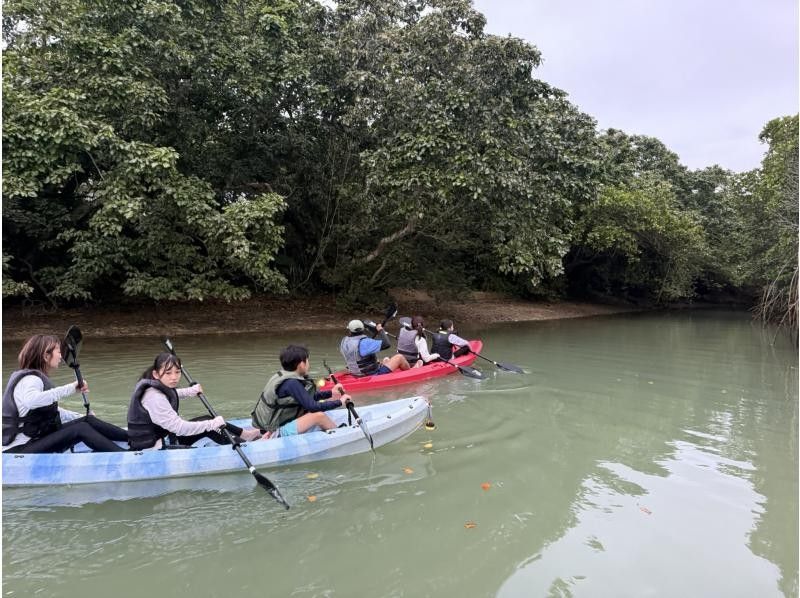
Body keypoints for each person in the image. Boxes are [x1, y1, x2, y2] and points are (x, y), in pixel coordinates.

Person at [2, 334, 128, 453]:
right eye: (58, 351)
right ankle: (125, 455)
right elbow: (32, 401)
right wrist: (70, 388)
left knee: (87, 420)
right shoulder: (31, 379)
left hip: (35, 440)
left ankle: (133, 438)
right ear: (46, 356)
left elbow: (53, 412)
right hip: (21, 449)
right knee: (81, 429)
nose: (61, 356)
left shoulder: (34, 378)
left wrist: (82, 416)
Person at [127, 352, 262, 450]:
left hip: (163, 435)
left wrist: (189, 391)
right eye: (168, 373)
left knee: (207, 418)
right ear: (156, 374)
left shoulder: (158, 387)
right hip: (155, 446)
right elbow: (180, 428)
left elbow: (171, 395)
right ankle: (247, 448)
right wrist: (211, 424)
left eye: (177, 372)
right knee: (210, 427)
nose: (174, 377)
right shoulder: (154, 398)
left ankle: (246, 435)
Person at [251, 344, 353, 436]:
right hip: (275, 430)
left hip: (272, 425)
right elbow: (313, 407)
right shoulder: (292, 383)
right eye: (307, 361)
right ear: (301, 364)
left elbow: (306, 397)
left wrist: (331, 392)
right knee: (318, 416)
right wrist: (340, 402)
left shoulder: (285, 377)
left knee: (313, 412)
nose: (309, 364)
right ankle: (340, 435)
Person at [340, 319, 410, 376]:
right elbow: (386, 344)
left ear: (349, 330)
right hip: (371, 375)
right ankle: (411, 373)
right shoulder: (364, 342)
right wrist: (380, 330)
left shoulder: (344, 341)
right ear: (363, 329)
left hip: (355, 373)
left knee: (385, 360)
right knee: (399, 357)